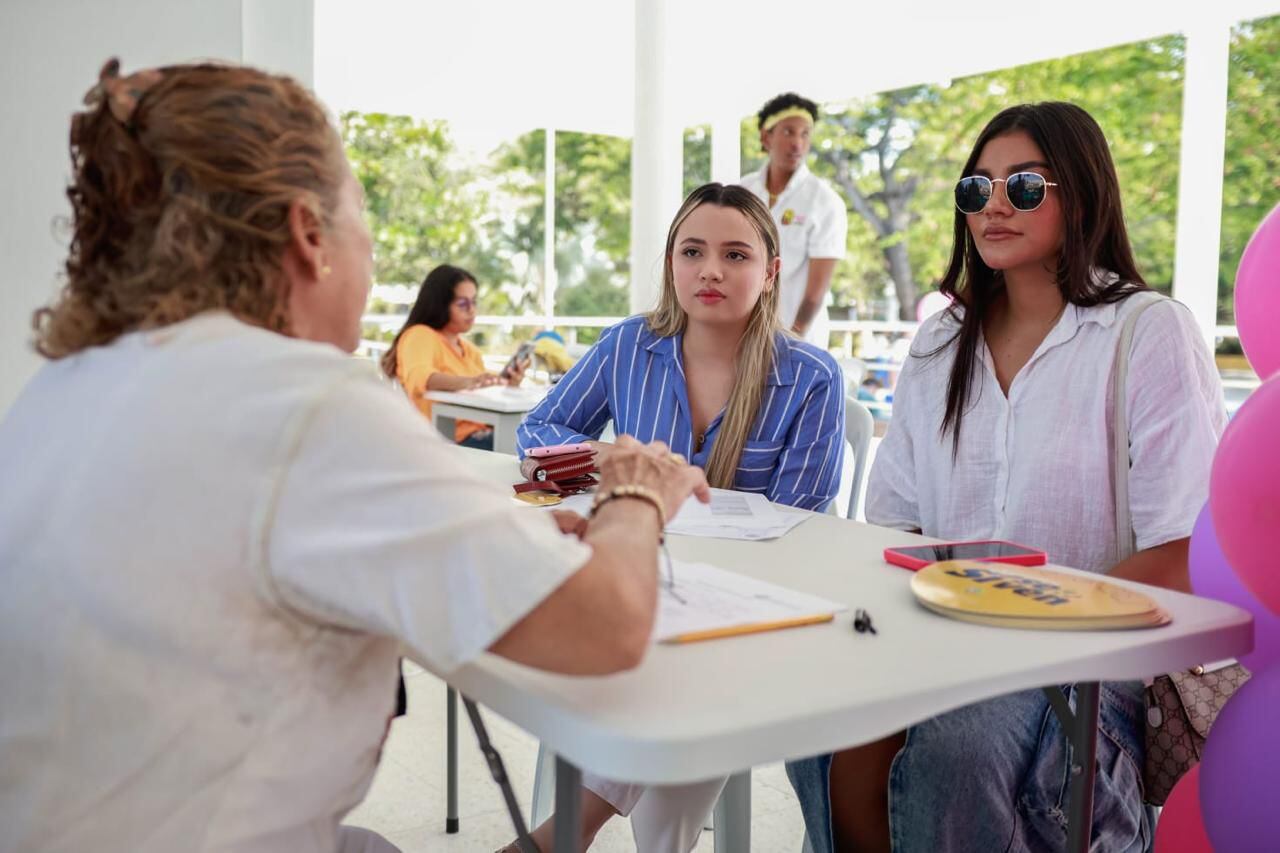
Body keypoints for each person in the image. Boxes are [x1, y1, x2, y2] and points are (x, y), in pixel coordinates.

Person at [0, 58, 710, 853]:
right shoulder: (305, 402)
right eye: (361, 217)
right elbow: (604, 629)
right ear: (310, 235)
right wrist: (637, 496)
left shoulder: (66, 387)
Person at [786, 101, 1226, 852]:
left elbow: (1183, 549)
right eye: (975, 188)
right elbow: (897, 527)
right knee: (824, 723)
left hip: (1090, 669)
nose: (993, 204)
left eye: (1023, 186)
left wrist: (1024, 628)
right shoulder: (937, 344)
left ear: (1081, 193)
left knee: (960, 750)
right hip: (939, 637)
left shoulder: (1146, 331)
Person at [508, 183, 845, 852]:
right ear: (671, 264)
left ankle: (561, 834)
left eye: (734, 254)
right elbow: (539, 430)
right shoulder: (627, 345)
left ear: (771, 270)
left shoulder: (812, 376)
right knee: (669, 668)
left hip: (750, 609)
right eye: (691, 251)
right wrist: (603, 458)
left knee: (692, 669)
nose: (710, 271)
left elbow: (799, 524)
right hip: (637, 578)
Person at [739, 92, 848, 348]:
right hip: (743, 337)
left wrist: (791, 340)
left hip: (796, 338)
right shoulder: (743, 191)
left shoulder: (825, 201)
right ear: (766, 137)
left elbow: (815, 294)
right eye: (788, 132)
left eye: (805, 134)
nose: (798, 143)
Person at [381, 264, 529, 450]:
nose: (471, 310)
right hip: (449, 441)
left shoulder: (470, 350)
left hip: (485, 434)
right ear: (440, 304)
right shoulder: (420, 335)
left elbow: (485, 394)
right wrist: (467, 382)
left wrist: (510, 383)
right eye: (462, 304)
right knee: (535, 451)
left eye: (474, 302)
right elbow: (420, 378)